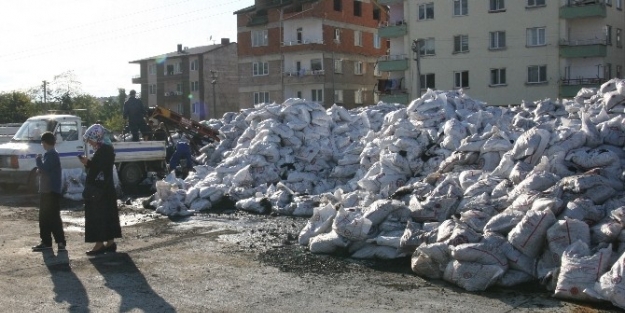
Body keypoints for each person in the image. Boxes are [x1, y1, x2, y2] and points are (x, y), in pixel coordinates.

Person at [79, 124, 121, 256]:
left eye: (90, 139)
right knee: (107, 215)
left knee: (97, 216)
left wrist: (88, 164)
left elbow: (99, 168)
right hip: (105, 189)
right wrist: (89, 163)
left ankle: (99, 244)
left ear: (96, 137)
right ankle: (109, 242)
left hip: (99, 190)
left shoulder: (104, 150)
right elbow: (100, 167)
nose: (90, 143)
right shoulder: (106, 149)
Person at [32, 131, 66, 252]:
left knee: (47, 218)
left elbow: (45, 169)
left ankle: (49, 242)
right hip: (51, 190)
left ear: (45, 143)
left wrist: (38, 160)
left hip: (49, 191)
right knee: (51, 217)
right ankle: (57, 242)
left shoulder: (51, 154)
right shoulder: (52, 154)